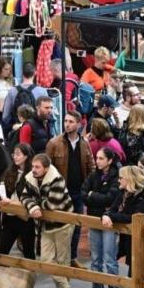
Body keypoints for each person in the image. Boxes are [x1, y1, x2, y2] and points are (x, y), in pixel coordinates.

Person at [19, 153, 78, 288]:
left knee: (63, 260)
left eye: (37, 167)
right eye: (33, 166)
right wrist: (33, 207)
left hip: (63, 224)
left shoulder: (57, 179)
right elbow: (23, 197)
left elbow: (52, 204)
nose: (33, 169)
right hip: (45, 225)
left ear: (46, 168)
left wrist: (35, 204)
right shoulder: (30, 178)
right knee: (46, 260)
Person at [46, 110, 95, 268]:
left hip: (78, 192)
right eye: (66, 121)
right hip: (60, 194)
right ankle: (60, 259)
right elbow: (46, 169)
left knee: (77, 227)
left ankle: (72, 257)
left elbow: (91, 166)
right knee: (60, 227)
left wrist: (88, 188)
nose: (67, 124)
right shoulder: (54, 143)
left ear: (79, 124)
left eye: (71, 121)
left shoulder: (84, 143)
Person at [102, 166, 144, 280]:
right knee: (133, 277)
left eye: (121, 178)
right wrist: (105, 215)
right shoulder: (124, 192)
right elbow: (112, 209)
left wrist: (110, 216)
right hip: (130, 241)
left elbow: (133, 217)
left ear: (129, 179)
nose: (119, 180)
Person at [81, 147, 121, 288]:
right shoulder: (93, 174)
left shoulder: (116, 176)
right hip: (94, 219)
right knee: (96, 259)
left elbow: (111, 198)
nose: (97, 161)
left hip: (109, 221)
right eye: (96, 158)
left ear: (110, 160)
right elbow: (83, 193)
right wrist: (94, 197)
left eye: (101, 158)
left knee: (110, 259)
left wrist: (92, 195)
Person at [0, 143, 36, 259]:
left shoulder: (32, 174)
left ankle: (31, 275)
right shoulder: (10, 172)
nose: (15, 157)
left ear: (26, 156)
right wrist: (0, 196)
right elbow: (1, 188)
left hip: (25, 218)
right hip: (10, 216)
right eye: (14, 154)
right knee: (1, 250)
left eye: (18, 154)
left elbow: (32, 196)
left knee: (28, 251)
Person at [2, 63, 47, 131]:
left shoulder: (12, 91)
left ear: (22, 73)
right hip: (36, 130)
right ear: (35, 73)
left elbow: (5, 117)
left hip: (18, 129)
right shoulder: (42, 91)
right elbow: (47, 114)